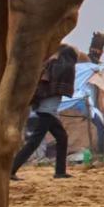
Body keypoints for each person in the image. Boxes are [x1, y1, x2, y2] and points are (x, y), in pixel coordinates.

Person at [12, 47, 75, 177]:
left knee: (62, 137)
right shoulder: (64, 67)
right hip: (47, 111)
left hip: (46, 110)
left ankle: (60, 172)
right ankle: (11, 170)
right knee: (34, 142)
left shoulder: (50, 66)